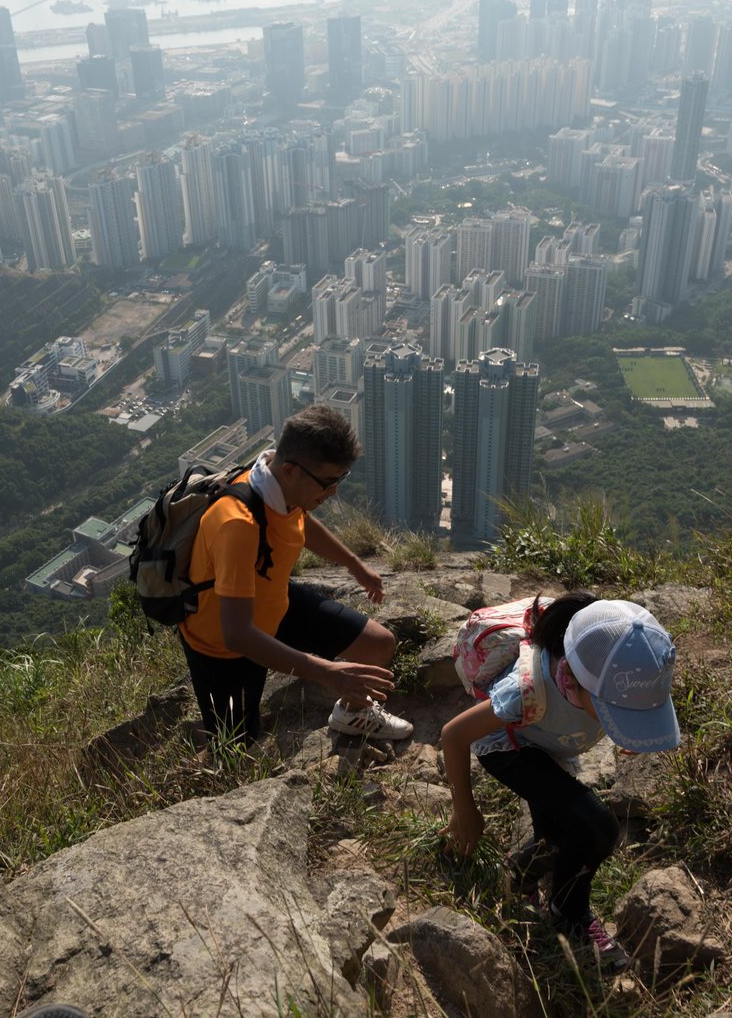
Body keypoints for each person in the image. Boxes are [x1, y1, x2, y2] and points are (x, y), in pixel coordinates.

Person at [440, 593, 681, 971]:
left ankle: (519, 875)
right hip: (510, 746)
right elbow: (454, 735)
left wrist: (630, 731)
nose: (616, 717)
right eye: (614, 712)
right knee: (597, 826)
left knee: (559, 830)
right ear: (574, 677)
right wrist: (464, 811)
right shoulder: (524, 691)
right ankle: (570, 914)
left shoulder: (609, 676)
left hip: (549, 739)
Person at [177, 405, 413, 746]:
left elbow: (301, 521)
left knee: (378, 644)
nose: (333, 491)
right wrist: (326, 671)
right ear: (290, 470)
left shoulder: (281, 488)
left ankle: (353, 714)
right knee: (237, 745)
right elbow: (237, 635)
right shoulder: (237, 523)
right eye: (328, 482)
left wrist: (353, 564)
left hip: (273, 602)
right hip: (223, 647)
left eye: (339, 479)